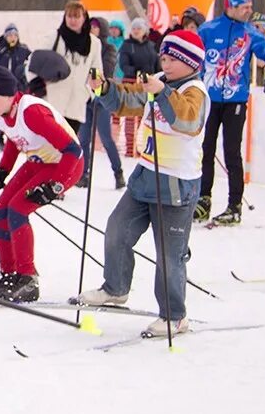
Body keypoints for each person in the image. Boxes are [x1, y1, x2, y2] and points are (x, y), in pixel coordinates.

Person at [72, 30, 209, 336]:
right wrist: (104, 88)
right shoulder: (159, 80)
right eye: (164, 56)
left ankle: (175, 315)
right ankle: (115, 288)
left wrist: (161, 92)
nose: (166, 62)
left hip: (175, 184)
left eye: (173, 58)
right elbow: (129, 100)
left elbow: (186, 121)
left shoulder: (195, 91)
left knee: (169, 255)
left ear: (189, 62)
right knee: (117, 230)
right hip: (145, 176)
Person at [0, 66, 84, 302]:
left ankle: (27, 279)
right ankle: (9, 275)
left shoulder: (32, 112)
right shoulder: (2, 113)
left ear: (9, 95)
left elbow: (73, 150)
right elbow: (14, 139)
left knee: (17, 210)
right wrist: (3, 170)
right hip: (39, 160)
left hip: (64, 165)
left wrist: (54, 186)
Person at [197, 0, 265, 226]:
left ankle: (234, 205)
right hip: (209, 97)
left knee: (231, 151)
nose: (249, 11)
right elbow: (193, 53)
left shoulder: (250, 33)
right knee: (206, 149)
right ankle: (203, 199)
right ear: (231, 6)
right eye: (245, 7)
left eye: (251, 7)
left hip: (236, 100)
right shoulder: (208, 29)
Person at [76, 18, 125, 190]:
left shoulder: (108, 48)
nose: (92, 30)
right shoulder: (83, 46)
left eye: (95, 27)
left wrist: (96, 77)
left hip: (101, 97)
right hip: (85, 97)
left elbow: (108, 69)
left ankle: (118, 172)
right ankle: (83, 173)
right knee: (83, 139)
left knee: (105, 137)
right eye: (90, 27)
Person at [40, 0, 102, 134]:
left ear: (84, 18)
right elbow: (35, 61)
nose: (72, 20)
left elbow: (96, 71)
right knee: (49, 148)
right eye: (69, 16)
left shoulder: (94, 43)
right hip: (53, 101)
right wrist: (36, 85)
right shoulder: (54, 38)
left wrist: (89, 93)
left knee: (68, 148)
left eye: (77, 16)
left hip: (76, 105)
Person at [119, 16, 160, 159]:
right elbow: (123, 64)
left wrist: (158, 75)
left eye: (139, 28)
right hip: (132, 84)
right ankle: (130, 147)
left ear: (145, 31)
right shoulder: (127, 45)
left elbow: (156, 62)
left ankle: (143, 147)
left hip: (148, 84)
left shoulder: (151, 46)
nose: (136, 31)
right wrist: (135, 72)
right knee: (131, 115)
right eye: (134, 28)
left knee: (146, 116)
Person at [0, 23, 31, 87]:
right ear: (6, 37)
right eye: (10, 35)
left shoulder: (23, 49)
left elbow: (31, 61)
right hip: (4, 84)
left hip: (19, 85)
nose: (13, 38)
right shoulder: (0, 51)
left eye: (15, 35)